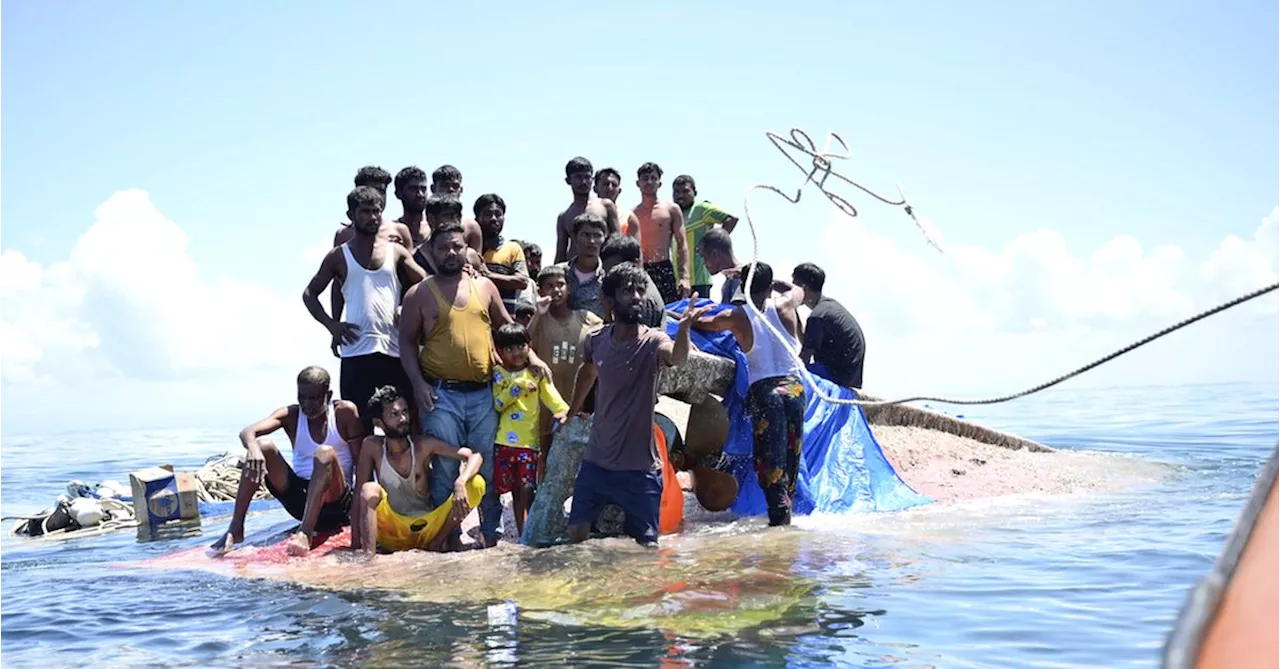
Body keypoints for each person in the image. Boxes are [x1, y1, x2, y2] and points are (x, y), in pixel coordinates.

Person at [398, 220, 552, 549]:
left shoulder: (485, 287)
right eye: (443, 247)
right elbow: (407, 345)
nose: (451, 252)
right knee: (445, 470)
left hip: (485, 394)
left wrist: (534, 358)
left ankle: (491, 533)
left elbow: (510, 330)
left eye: (457, 246)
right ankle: (448, 537)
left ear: (467, 249)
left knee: (489, 468)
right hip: (440, 395)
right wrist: (418, 384)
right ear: (431, 252)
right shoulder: (418, 294)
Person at [564, 263, 710, 546]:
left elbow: (677, 358)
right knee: (576, 533)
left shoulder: (653, 341)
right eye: (627, 290)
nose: (636, 296)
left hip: (639, 469)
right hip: (597, 463)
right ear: (610, 300)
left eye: (640, 290)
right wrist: (571, 411)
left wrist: (684, 330)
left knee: (647, 547)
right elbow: (587, 371)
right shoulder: (596, 340)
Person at [303, 186, 428, 434]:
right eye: (365, 212)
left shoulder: (396, 251)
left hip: (393, 350)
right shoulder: (339, 256)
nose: (372, 217)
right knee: (359, 424)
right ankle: (363, 474)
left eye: (376, 211)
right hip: (356, 353)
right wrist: (332, 325)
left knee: (404, 421)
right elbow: (310, 294)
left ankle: (411, 472)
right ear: (351, 214)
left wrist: (405, 306)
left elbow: (425, 283)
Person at [691, 262, 807, 526]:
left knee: (769, 459)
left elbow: (704, 324)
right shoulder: (786, 305)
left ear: (743, 288)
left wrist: (699, 314)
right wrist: (775, 284)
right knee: (791, 454)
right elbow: (798, 289)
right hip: (794, 388)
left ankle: (778, 520)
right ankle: (785, 518)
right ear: (767, 287)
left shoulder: (737, 316)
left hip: (766, 391)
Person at [212, 366, 363, 556]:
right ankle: (235, 528)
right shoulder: (292, 415)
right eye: (302, 397)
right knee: (263, 446)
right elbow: (248, 431)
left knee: (324, 453)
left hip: (335, 503)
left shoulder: (345, 413)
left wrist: (360, 515)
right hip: (300, 501)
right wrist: (253, 449)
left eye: (314, 398)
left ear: (328, 394)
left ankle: (305, 532)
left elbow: (361, 465)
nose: (307, 404)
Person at [350, 385, 485, 555]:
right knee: (368, 489)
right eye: (394, 414)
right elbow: (359, 494)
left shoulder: (423, 445)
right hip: (392, 531)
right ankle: (369, 557)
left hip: (427, 527)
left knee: (477, 483)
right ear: (378, 422)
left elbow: (474, 455)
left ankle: (438, 542)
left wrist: (461, 481)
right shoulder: (372, 446)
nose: (403, 418)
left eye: (405, 411)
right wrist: (354, 543)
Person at [491, 323, 570, 536]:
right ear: (500, 351)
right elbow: (498, 404)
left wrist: (566, 413)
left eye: (520, 346)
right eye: (509, 349)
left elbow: (553, 398)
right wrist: (518, 388)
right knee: (514, 491)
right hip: (504, 442)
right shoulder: (499, 373)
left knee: (527, 487)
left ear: (529, 346)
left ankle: (529, 531)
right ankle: (520, 531)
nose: (516, 353)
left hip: (528, 443)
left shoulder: (536, 373)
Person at [329, 167, 414, 356]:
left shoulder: (399, 231)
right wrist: (334, 325)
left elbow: (411, 279)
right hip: (359, 336)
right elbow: (338, 283)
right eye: (372, 189)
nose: (378, 196)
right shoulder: (344, 236)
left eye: (382, 191)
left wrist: (405, 307)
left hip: (395, 329)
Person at [527, 265, 604, 467]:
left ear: (569, 288)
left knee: (570, 462)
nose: (556, 290)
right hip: (540, 407)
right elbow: (522, 345)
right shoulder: (538, 320)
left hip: (575, 407)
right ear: (540, 290)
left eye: (560, 284)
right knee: (541, 458)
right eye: (549, 286)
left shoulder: (588, 320)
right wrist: (537, 313)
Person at [791, 262, 866, 389]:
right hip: (849, 377)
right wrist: (792, 311)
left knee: (787, 377)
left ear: (803, 287)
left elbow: (803, 359)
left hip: (835, 375)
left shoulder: (817, 316)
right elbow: (809, 342)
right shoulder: (828, 307)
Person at [632, 162, 690, 304]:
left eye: (653, 178)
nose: (649, 182)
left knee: (669, 312)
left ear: (660, 183)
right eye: (645, 178)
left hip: (663, 267)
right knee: (643, 311)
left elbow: (682, 244)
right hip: (642, 269)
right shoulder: (633, 213)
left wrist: (685, 277)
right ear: (638, 183)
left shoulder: (671, 209)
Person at [672, 174, 739, 298]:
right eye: (676, 192)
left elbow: (731, 219)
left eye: (685, 191)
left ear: (694, 192)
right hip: (679, 281)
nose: (680, 195)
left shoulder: (701, 208)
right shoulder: (673, 213)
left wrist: (716, 243)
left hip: (700, 279)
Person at [554, 157, 620, 263]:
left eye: (587, 177)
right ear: (568, 180)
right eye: (578, 177)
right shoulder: (564, 216)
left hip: (602, 269)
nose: (583, 182)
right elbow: (561, 253)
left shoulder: (605, 206)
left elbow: (618, 242)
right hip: (575, 273)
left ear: (592, 180)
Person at [473, 193, 530, 313]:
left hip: (504, 326)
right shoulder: (468, 249)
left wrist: (489, 276)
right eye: (488, 214)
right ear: (477, 218)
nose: (494, 218)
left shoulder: (513, 249)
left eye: (498, 214)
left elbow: (522, 282)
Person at [600, 234, 667, 328]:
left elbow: (628, 338)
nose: (610, 278)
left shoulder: (641, 299)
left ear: (635, 264)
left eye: (615, 272)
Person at [555, 213, 609, 320]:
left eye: (597, 235)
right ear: (574, 238)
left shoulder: (608, 276)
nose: (592, 241)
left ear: (604, 239)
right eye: (585, 235)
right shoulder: (559, 273)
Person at [430, 164, 484, 253]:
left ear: (461, 190)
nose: (451, 189)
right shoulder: (423, 224)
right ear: (433, 188)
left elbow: (477, 262)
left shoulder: (471, 227)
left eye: (455, 186)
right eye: (445, 185)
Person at [698, 228, 745, 304]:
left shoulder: (740, 277)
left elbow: (737, 312)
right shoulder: (731, 279)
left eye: (705, 257)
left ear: (715, 254)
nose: (704, 262)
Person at [594, 167, 641, 239]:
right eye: (606, 184)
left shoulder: (628, 217)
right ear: (595, 188)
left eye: (614, 185)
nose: (610, 188)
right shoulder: (587, 212)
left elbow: (635, 247)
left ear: (619, 191)